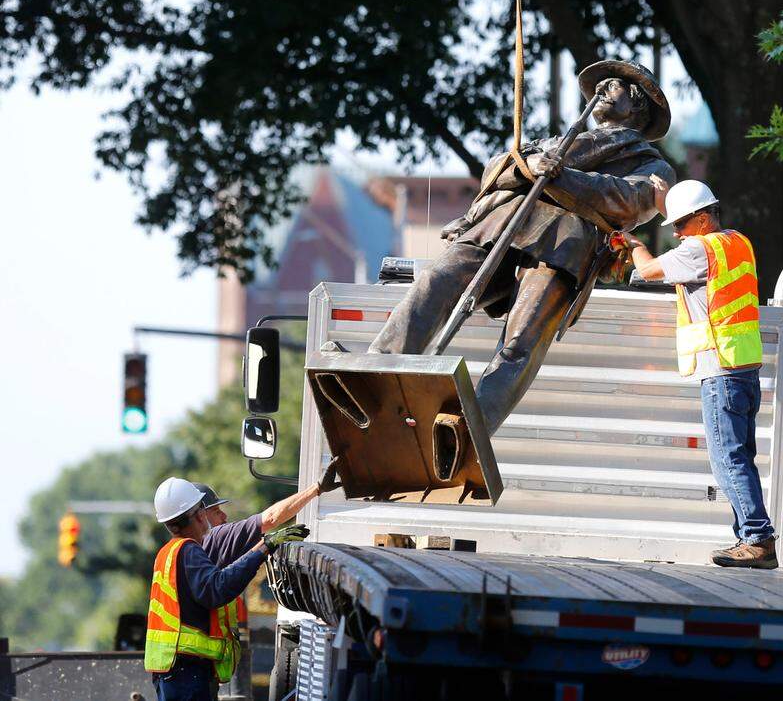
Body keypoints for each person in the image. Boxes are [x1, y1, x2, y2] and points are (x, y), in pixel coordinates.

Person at [368, 59, 676, 447]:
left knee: (520, 342)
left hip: (565, 247)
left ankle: (466, 434)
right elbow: (497, 167)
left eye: (612, 87)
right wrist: (529, 164)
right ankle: (377, 372)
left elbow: (630, 201)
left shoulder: (653, 165)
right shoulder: (557, 141)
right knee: (436, 281)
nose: (600, 90)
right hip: (500, 225)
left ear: (638, 106)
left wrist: (563, 176)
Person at [624, 179, 778, 569]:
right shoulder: (736, 242)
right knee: (740, 456)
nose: (675, 232)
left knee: (728, 459)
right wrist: (665, 203)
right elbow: (689, 244)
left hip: (720, 369)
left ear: (704, 218)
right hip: (742, 367)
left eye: (680, 224)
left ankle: (758, 539)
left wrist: (633, 244)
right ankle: (750, 537)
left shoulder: (698, 249)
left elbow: (647, 271)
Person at [145, 477, 308, 700]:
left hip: (174, 669)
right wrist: (263, 549)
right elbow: (217, 589)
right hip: (187, 670)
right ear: (200, 514)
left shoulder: (168, 552)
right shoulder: (189, 551)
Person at [194, 458, 341, 566]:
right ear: (201, 516)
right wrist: (317, 488)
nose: (224, 516)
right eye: (216, 511)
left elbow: (241, 563)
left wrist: (269, 542)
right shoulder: (216, 536)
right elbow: (270, 518)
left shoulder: (186, 550)